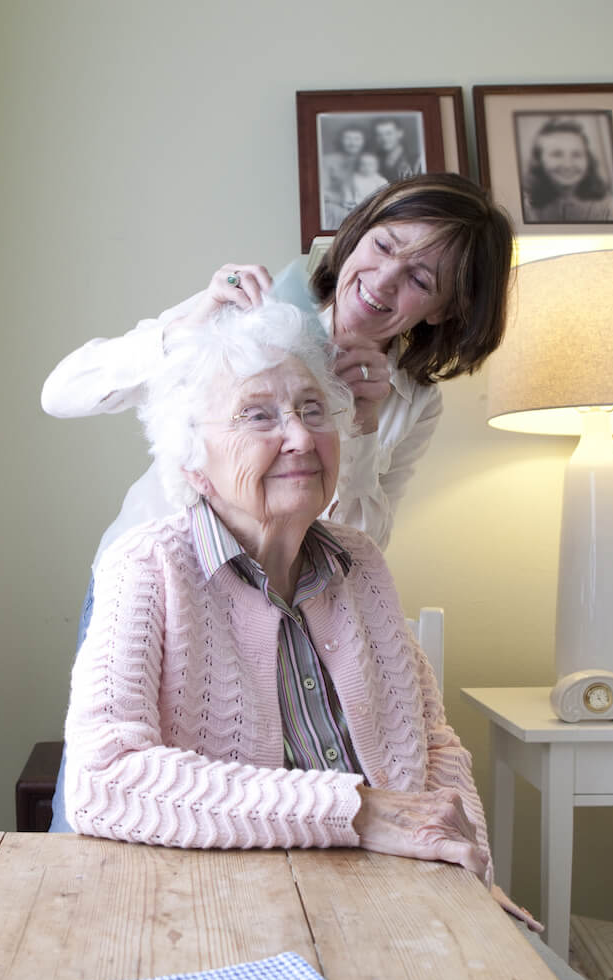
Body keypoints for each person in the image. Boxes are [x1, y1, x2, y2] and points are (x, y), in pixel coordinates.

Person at [41, 172, 512, 829]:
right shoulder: (244, 318)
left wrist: (363, 431)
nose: (382, 280)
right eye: (383, 246)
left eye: (421, 280)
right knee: (106, 801)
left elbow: (352, 547)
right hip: (170, 590)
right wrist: (187, 327)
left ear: (443, 312)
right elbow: (61, 393)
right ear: (355, 236)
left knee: (259, 785)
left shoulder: (410, 401)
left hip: (291, 603)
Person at [62, 300, 529, 913]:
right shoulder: (148, 566)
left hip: (401, 904)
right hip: (224, 913)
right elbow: (102, 779)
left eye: (313, 410)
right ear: (192, 462)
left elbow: (435, 745)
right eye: (258, 416)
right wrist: (358, 810)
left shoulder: (360, 566)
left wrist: (471, 879)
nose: (301, 436)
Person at [521, 118, 613, 223]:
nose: (568, 164)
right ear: (538, 160)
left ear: (588, 159)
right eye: (557, 154)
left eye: (577, 155)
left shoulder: (610, 207)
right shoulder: (527, 208)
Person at [373, 117, 423, 183]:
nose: (384, 139)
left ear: (400, 134)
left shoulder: (416, 160)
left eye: (388, 133)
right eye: (379, 135)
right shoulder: (374, 160)